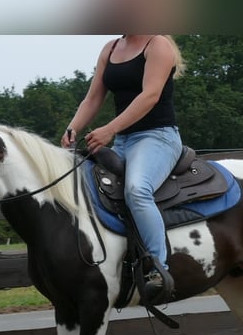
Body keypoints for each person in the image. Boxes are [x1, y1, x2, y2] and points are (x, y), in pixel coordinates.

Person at [61, 34, 184, 302]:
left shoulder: (158, 45)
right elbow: (93, 98)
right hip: (124, 140)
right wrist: (73, 127)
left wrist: (109, 129)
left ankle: (158, 269)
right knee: (86, 186)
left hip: (158, 137)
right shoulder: (111, 48)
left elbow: (150, 96)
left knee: (137, 190)